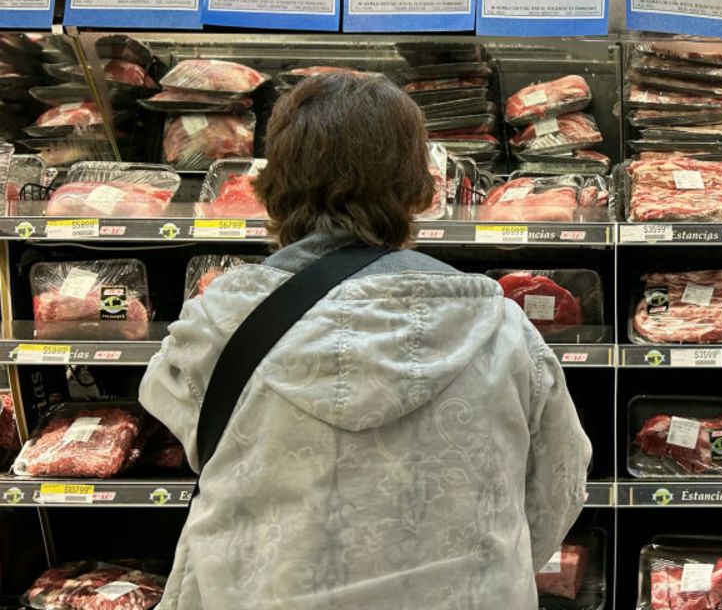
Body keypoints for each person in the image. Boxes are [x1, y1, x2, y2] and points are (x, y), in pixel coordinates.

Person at [140, 73, 591, 609]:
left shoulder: (215, 327)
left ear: (273, 180)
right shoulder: (503, 332)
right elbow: (557, 490)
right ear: (421, 187)